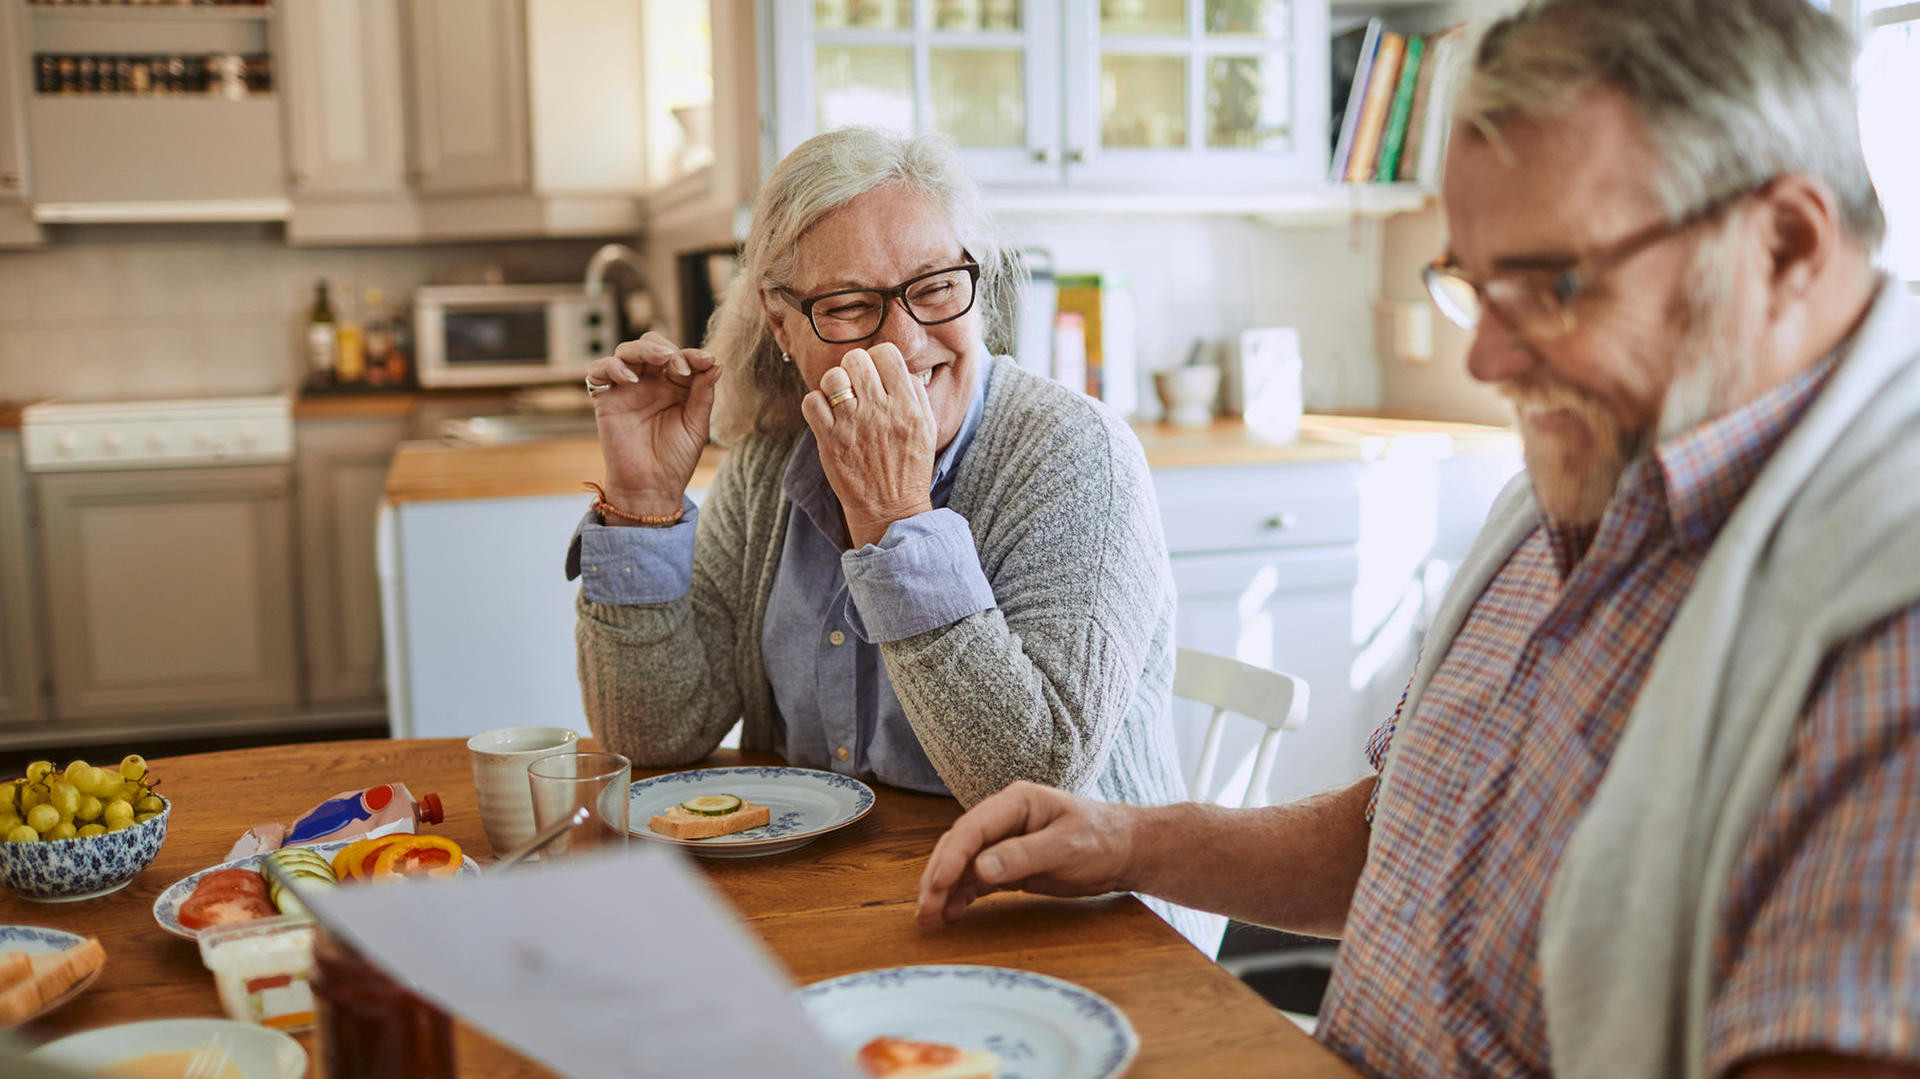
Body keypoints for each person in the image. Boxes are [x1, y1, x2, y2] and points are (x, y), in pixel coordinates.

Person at [917, 3, 1920, 1077]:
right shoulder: (1579, 473)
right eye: (1474, 284)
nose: (1485, 357)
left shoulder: (1884, 621)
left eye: (1550, 285)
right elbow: (1406, 832)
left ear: (1785, 245)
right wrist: (1127, 838)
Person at [565, 126, 1197, 935]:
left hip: (1079, 921)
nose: (902, 342)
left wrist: (896, 521)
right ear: (784, 324)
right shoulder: (770, 463)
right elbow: (651, 733)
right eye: (851, 305)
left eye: (934, 288)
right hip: (839, 899)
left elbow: (1034, 776)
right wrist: (644, 501)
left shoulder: (1078, 455)